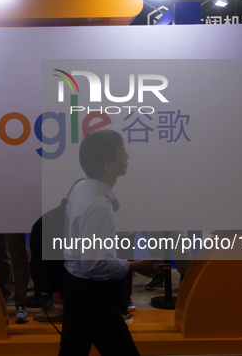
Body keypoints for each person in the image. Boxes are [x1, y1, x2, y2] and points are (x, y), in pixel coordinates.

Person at [58, 129, 161, 356]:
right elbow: (93, 265)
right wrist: (135, 266)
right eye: (123, 154)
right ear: (109, 166)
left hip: (75, 285)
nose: (127, 158)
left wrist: (109, 199)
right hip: (91, 293)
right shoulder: (97, 207)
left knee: (72, 351)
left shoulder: (82, 187)